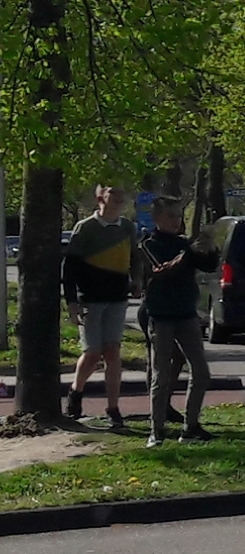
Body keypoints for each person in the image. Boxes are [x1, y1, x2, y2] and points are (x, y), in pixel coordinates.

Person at [138, 198, 220, 447]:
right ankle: (157, 430)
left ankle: (191, 426)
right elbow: (162, 271)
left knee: (201, 371)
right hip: (160, 315)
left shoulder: (184, 244)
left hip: (186, 314)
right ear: (157, 219)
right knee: (161, 375)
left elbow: (206, 265)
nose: (176, 222)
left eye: (178, 217)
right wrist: (188, 253)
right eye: (170, 217)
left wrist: (210, 248)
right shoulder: (148, 245)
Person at [63, 184, 136, 430]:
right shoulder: (85, 229)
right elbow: (70, 267)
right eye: (112, 193)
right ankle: (76, 391)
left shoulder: (127, 227)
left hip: (117, 297)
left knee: (113, 350)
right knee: (93, 352)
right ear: (100, 198)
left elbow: (135, 257)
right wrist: (72, 302)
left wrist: (136, 280)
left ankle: (113, 407)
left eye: (121, 195)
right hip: (91, 298)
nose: (118, 198)